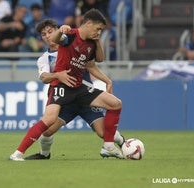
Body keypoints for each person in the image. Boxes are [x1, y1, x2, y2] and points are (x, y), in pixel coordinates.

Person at [9, 9, 124, 161]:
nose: (48, 36)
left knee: (104, 129)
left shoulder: (82, 41)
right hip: (65, 96)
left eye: (50, 31)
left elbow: (92, 65)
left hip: (83, 94)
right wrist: (58, 74)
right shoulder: (46, 57)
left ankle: (121, 143)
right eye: (44, 34)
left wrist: (107, 80)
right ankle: (42, 154)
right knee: (48, 129)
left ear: (57, 30)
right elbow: (44, 77)